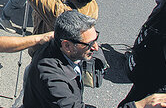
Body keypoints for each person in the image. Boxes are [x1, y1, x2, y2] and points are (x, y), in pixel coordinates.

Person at [24, 10, 166, 108]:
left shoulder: (60, 48)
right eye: (89, 44)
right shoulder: (54, 82)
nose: (96, 48)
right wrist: (138, 105)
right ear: (67, 45)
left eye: (95, 39)